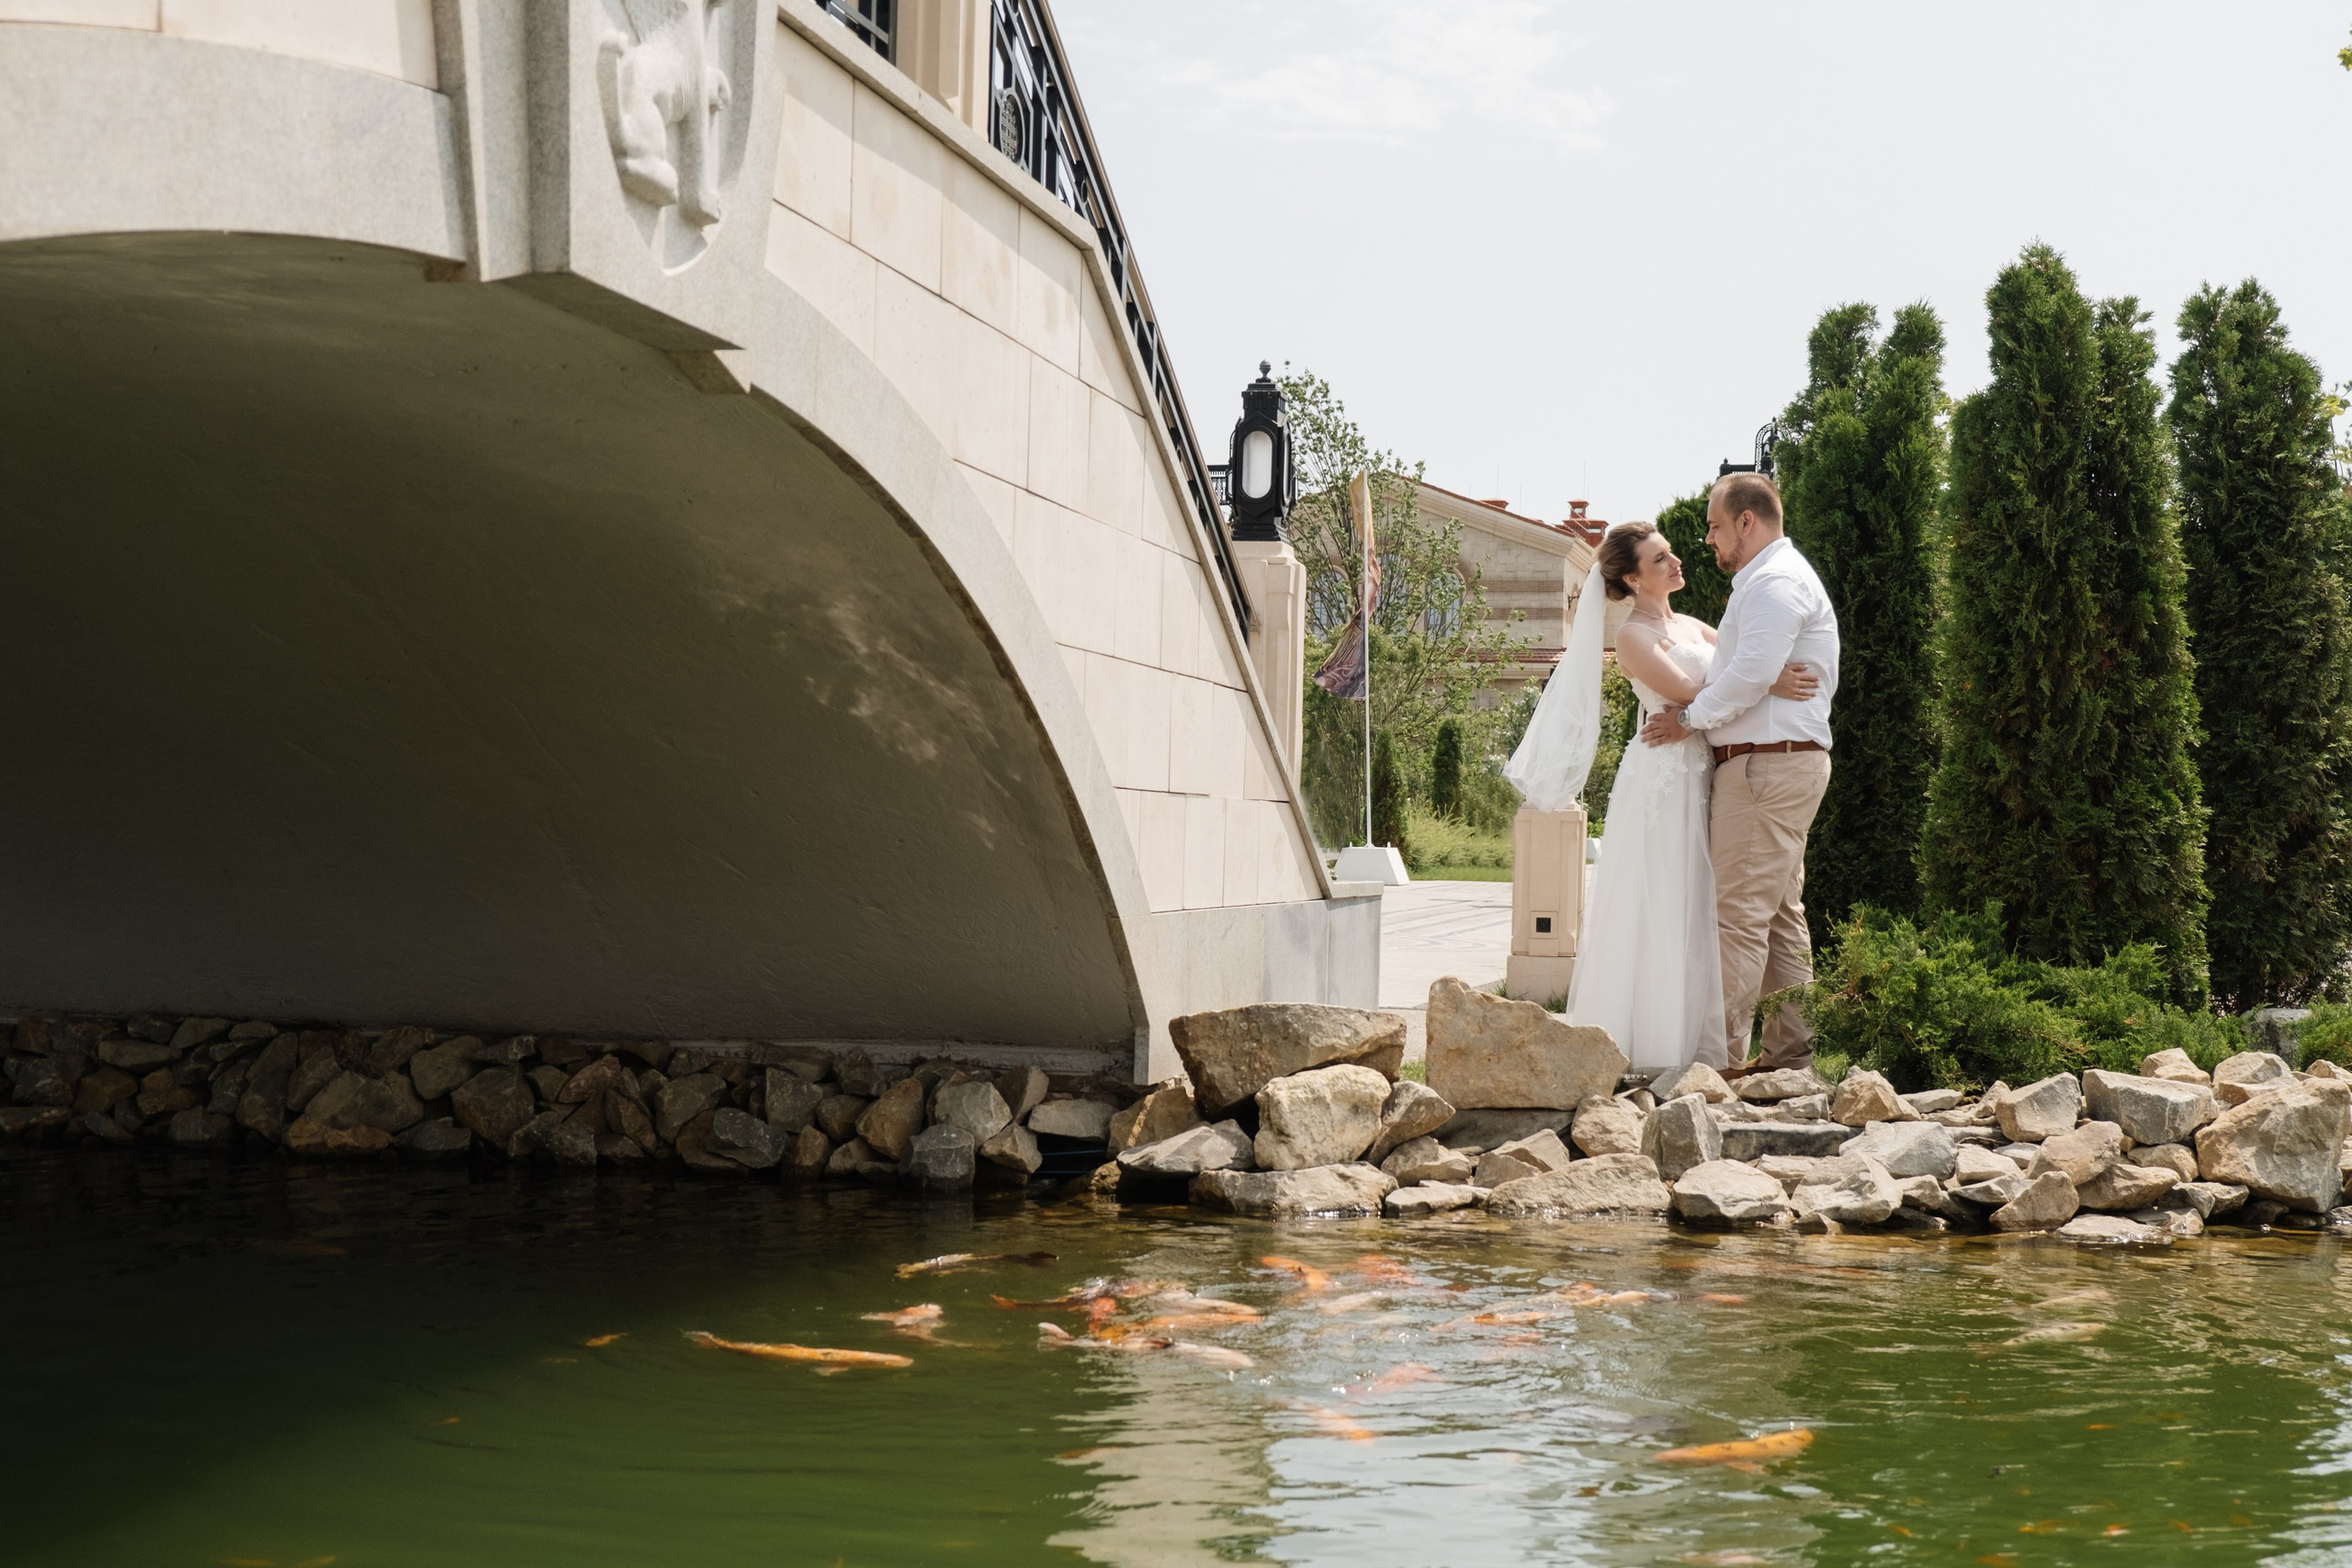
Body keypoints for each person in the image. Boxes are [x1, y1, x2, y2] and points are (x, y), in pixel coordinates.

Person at [1503, 519, 1816, 1072]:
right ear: (1632, 578)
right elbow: (1696, 691)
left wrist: (1766, 673)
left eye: (1671, 553)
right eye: (1659, 560)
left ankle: (1700, 1035)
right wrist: (1768, 683)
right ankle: (1655, 1042)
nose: (1676, 563)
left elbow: (1740, 668)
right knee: (1665, 899)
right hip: (1663, 774)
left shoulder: (1694, 625)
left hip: (1706, 769)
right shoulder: (1633, 636)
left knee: (1707, 902)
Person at [1637, 472, 1839, 1076]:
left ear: (1746, 522)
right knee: (1778, 916)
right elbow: (1750, 668)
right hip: (1776, 763)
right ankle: (1788, 1059)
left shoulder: (1775, 582)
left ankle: (1717, 1065)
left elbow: (1750, 671)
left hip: (1764, 767)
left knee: (1739, 919)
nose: (1708, 539)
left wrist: (1691, 719)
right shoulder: (1767, 581)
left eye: (1715, 525)